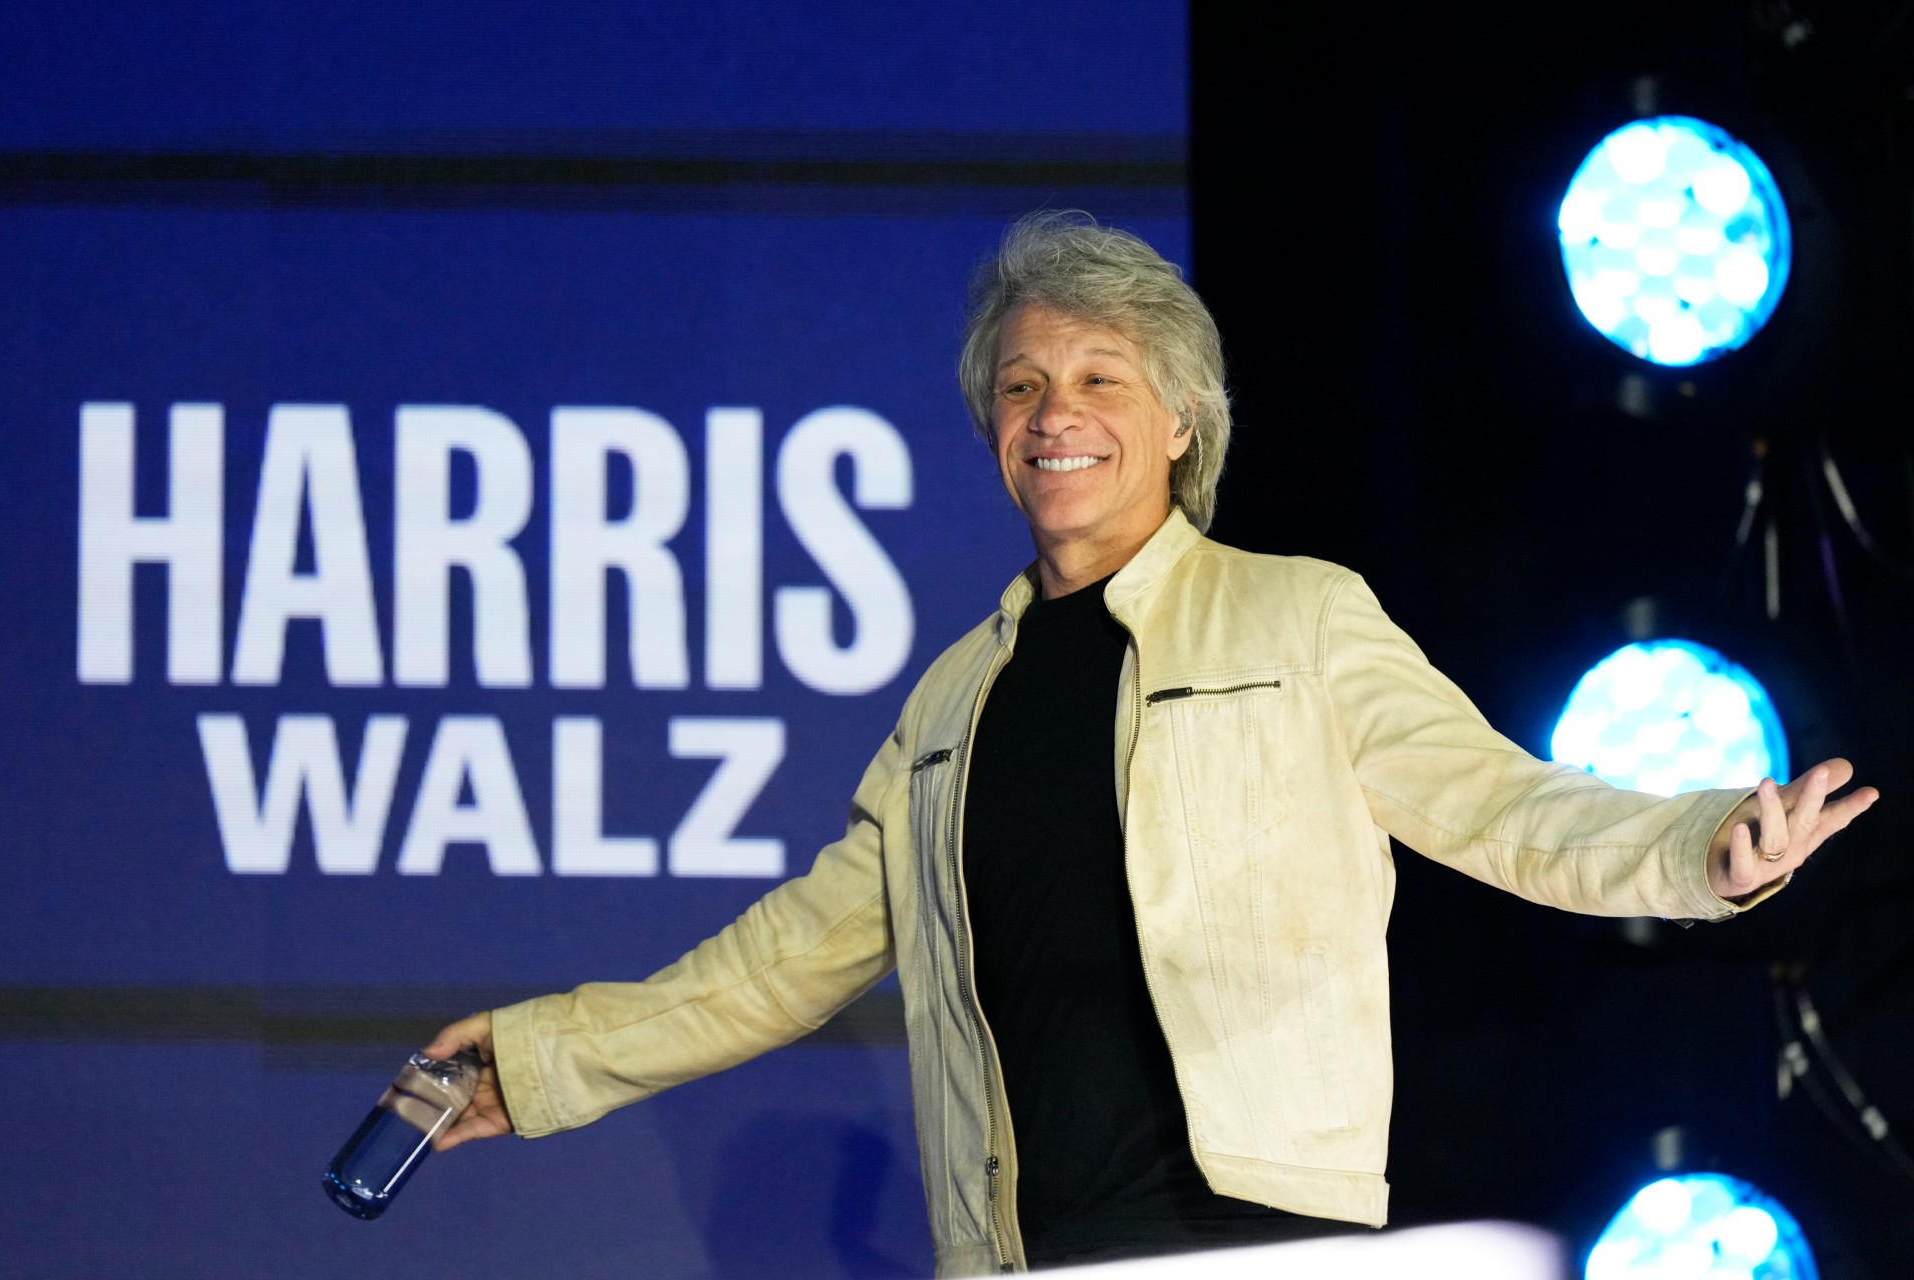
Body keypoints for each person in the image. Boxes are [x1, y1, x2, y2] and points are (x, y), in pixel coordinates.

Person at [423, 212, 1878, 1275]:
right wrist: (545, 1060)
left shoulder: (1298, 617)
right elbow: (783, 960)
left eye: (1099, 378)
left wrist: (1704, 846)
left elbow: (1502, 806)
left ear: (1183, 421)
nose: (1054, 414)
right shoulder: (950, 706)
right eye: (1021, 387)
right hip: (1022, 1257)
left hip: (1256, 1239)